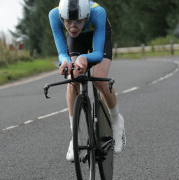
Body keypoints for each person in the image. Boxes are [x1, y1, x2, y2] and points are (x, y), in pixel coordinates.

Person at [49, 0, 126, 162]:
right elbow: (62, 52)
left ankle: (117, 121)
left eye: (78, 21)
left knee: (100, 80)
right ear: (62, 17)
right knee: (73, 80)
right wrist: (64, 61)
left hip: (98, 35)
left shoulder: (98, 12)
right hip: (76, 41)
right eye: (68, 22)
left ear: (86, 16)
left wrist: (83, 58)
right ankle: (74, 137)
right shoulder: (54, 15)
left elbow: (97, 54)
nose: (73, 26)